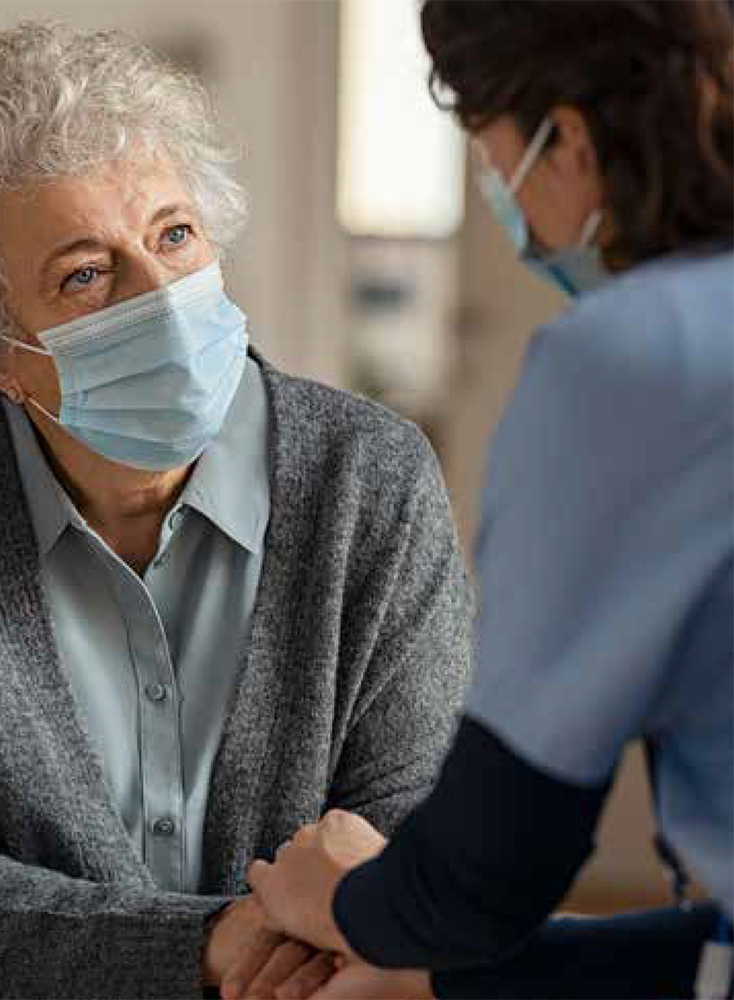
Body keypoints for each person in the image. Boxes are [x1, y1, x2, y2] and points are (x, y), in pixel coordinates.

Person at [0, 22, 473, 999]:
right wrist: (214, 947)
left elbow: (420, 847)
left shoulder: (370, 481)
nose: (163, 298)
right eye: (86, 273)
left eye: (175, 234)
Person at [248, 2, 734, 998]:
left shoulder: (636, 361)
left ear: (571, 140)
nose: (501, 199)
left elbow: (482, 877)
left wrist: (336, 899)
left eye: (491, 152)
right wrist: (421, 978)